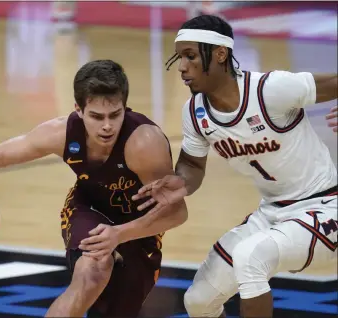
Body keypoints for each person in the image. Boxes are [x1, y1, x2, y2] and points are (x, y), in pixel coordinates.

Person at [0, 59, 188, 317]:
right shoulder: (61, 132)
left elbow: (176, 212)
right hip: (88, 207)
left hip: (138, 227)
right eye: (96, 116)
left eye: (115, 115)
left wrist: (119, 234)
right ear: (79, 109)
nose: (107, 125)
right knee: (93, 270)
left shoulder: (144, 143)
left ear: (125, 108)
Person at [132, 15, 338, 318]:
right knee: (199, 300)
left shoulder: (270, 90)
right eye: (179, 57)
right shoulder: (194, 111)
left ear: (220, 53)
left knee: (250, 257)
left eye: (190, 56)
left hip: (324, 206)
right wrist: (182, 182)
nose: (181, 67)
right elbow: (191, 163)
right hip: (271, 213)